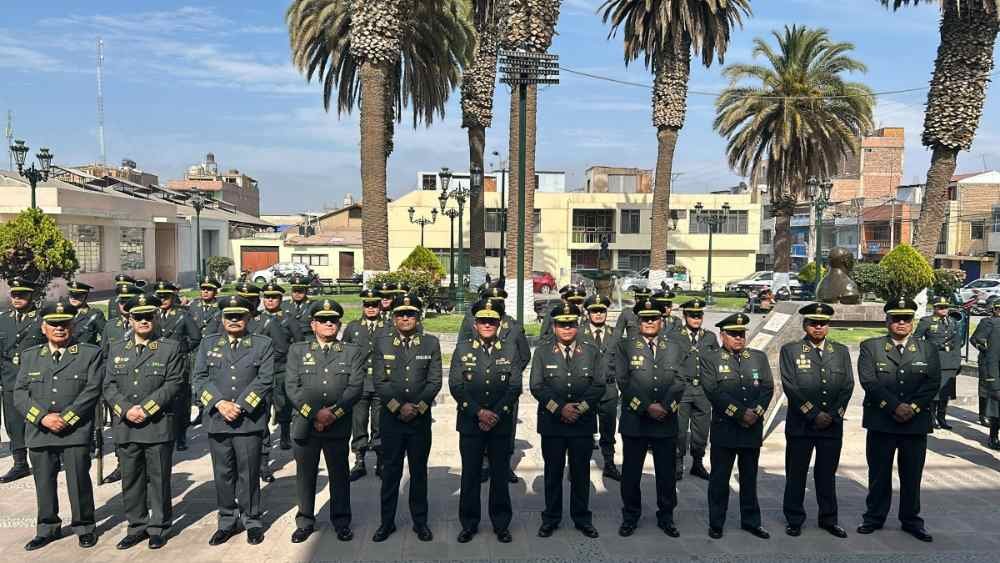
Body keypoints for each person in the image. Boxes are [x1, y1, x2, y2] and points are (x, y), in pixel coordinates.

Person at [15, 300, 103, 551]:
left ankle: (84, 526)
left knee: (78, 480)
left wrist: (68, 417)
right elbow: (19, 393)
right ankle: (47, 528)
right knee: (43, 482)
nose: (59, 328)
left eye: (64, 324)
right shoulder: (30, 356)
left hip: (74, 430)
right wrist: (42, 417)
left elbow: (92, 389)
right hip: (40, 430)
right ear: (44, 328)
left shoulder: (89, 353)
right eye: (53, 324)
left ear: (72, 326)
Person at [192, 295, 274, 546]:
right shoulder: (208, 344)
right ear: (222, 318)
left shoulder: (262, 344)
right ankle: (227, 520)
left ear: (249, 317)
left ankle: (252, 520)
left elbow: (265, 379)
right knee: (223, 474)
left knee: (248, 474)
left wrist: (239, 405)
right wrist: (219, 403)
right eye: (229, 316)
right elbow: (199, 379)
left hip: (247, 420)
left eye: (240, 315)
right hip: (218, 419)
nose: (235, 320)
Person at [103, 294, 184, 550]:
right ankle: (136, 526)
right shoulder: (116, 348)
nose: (144, 321)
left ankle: (159, 527)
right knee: (131, 479)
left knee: (159, 478)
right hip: (126, 425)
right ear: (129, 319)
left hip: (157, 424)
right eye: (138, 316)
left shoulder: (169, 347)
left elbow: (174, 383)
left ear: (156, 317)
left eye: (149, 316)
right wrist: (126, 410)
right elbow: (108, 385)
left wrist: (146, 409)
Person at [857, 297, 940, 543]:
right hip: (882, 421)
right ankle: (874, 517)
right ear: (887, 321)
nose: (901, 323)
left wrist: (912, 408)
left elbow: (933, 383)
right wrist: (894, 406)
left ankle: (911, 520)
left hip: (915, 424)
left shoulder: (927, 348)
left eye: (906, 319)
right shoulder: (871, 347)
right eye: (896, 318)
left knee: (912, 475)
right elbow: (869, 381)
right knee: (879, 473)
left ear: (913, 322)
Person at [286, 299, 364, 544]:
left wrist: (333, 414)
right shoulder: (298, 350)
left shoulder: (351, 352)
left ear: (339, 324)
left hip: (337, 425)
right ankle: (305, 521)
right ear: (313, 324)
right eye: (323, 320)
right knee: (305, 476)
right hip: (305, 425)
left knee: (339, 474)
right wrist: (314, 414)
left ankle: (341, 521)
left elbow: (355, 388)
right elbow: (291, 387)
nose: (329, 323)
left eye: (333, 320)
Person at [530, 302, 605, 539]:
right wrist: (559, 409)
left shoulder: (591, 351)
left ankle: (582, 517)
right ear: (554, 326)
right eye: (562, 324)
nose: (567, 329)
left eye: (571, 324)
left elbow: (599, 385)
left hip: (582, 424)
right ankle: (551, 518)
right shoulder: (542, 352)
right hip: (553, 424)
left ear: (577, 325)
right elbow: (536, 386)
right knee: (553, 473)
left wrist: (579, 408)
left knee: (581, 473)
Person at [371, 293, 442, 543]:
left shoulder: (431, 343)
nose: (405, 317)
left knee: (419, 472)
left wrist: (418, 407)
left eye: (410, 313)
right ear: (394, 317)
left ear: (418, 316)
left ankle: (420, 522)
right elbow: (379, 381)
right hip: (391, 420)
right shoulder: (382, 343)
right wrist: (398, 407)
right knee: (390, 471)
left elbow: (434, 381)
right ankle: (386, 523)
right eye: (401, 313)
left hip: (419, 420)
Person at [450, 299, 521, 544]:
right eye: (483, 321)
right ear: (475, 323)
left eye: (492, 321)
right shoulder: (462, 349)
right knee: (470, 475)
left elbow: (514, 387)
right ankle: (468, 523)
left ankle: (501, 523)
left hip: (500, 423)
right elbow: (456, 386)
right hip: (471, 423)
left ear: (499, 323)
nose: (487, 324)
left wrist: (496, 414)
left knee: (500, 475)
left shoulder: (510, 349)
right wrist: (479, 413)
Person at [779, 303, 853, 539]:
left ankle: (829, 519)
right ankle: (794, 518)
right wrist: (813, 414)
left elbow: (847, 386)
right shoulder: (791, 351)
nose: (818, 327)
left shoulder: (840, 351)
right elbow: (791, 386)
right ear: (805, 324)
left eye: (823, 323)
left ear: (828, 326)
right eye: (814, 323)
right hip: (801, 425)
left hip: (831, 425)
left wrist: (832, 414)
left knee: (826, 474)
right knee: (796, 474)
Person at [615, 298, 685, 538]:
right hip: (635, 421)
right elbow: (624, 382)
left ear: (661, 320)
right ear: (638, 321)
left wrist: (666, 406)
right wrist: (647, 407)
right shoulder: (625, 346)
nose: (649, 322)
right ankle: (630, 515)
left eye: (654, 318)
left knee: (666, 474)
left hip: (665, 421)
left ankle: (666, 516)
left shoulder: (675, 346)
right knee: (631, 474)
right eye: (645, 318)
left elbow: (680, 381)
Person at [701, 312, 773, 540]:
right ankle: (716, 522)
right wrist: (741, 413)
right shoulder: (710, 359)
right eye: (733, 334)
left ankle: (751, 521)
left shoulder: (758, 357)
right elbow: (714, 392)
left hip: (751, 429)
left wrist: (757, 413)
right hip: (726, 428)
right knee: (720, 479)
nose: (739, 338)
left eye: (741, 334)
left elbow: (767, 388)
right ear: (722, 336)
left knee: (749, 478)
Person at [0, 276, 46, 483]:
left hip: (36, 379)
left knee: (38, 419)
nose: (17, 298)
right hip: (10, 379)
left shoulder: (41, 319)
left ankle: (44, 460)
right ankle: (20, 463)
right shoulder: (3, 319)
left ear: (32, 295)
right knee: (13, 422)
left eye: (22, 294)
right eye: (14, 294)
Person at [667, 298, 715, 481]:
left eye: (699, 315)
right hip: (683, 389)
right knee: (679, 429)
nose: (696, 319)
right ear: (685, 316)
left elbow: (716, 361)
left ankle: (697, 463)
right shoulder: (674, 336)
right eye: (692, 315)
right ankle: (678, 463)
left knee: (701, 431)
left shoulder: (709, 337)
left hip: (702, 389)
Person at [343, 288, 387, 480]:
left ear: (380, 306)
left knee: (379, 423)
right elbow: (344, 354)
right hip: (359, 383)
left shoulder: (388, 327)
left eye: (374, 305)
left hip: (380, 382)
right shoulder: (353, 327)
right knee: (358, 422)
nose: (370, 308)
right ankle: (359, 461)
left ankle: (381, 461)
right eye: (367, 305)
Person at [579, 293, 622, 481]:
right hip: (585, 391)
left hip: (608, 390)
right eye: (594, 311)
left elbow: (623, 364)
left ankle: (609, 464)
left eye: (601, 311)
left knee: (608, 429)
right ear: (587, 313)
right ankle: (578, 466)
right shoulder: (579, 333)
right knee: (583, 430)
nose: (598, 315)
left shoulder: (616, 335)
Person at [153, 281, 200, 452]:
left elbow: (195, 338)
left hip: (178, 363)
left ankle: (181, 435)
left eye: (166, 296)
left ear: (173, 297)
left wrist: (180, 350)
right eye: (160, 296)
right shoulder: (152, 315)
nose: (163, 299)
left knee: (181, 401)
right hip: (157, 363)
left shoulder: (182, 315)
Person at [260, 282, 302, 452]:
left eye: (274, 298)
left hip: (281, 367)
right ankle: (265, 439)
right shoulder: (257, 318)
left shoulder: (288, 318)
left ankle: (285, 434)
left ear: (280, 299)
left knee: (282, 404)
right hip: (262, 369)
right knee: (263, 406)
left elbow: (298, 342)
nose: (270, 301)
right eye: (267, 297)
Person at [913, 296, 963, 430]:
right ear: (934, 308)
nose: (944, 310)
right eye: (940, 307)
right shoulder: (927, 321)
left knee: (946, 392)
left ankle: (942, 418)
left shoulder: (952, 322)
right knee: (934, 391)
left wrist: (957, 361)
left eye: (946, 307)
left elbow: (957, 342)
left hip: (950, 361)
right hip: (934, 360)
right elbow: (917, 339)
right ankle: (932, 418)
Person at [972, 300, 1000, 447]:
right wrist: (983, 348)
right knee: (988, 391)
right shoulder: (988, 323)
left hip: (993, 362)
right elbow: (974, 339)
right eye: (998, 309)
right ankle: (985, 416)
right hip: (989, 363)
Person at [67, 281, 106, 346]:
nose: (73, 298)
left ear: (85, 296)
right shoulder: (65, 314)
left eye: (77, 296)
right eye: (71, 295)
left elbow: (106, 337)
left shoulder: (94, 314)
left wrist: (95, 350)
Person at [282, 273, 314, 341]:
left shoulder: (313, 305)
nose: (297, 294)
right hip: (288, 339)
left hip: (307, 338)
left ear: (306, 291)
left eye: (300, 291)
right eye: (294, 291)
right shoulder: (284, 305)